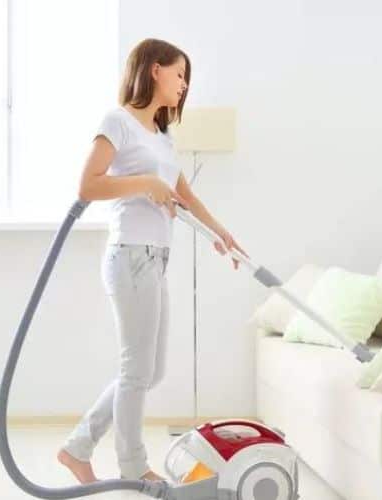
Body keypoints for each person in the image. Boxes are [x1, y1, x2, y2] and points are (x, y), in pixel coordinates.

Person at [56, 38, 247, 484]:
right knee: (136, 369)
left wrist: (220, 233)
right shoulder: (117, 122)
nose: (184, 86)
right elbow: (88, 186)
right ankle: (132, 468)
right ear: (155, 70)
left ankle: (78, 446)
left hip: (157, 259)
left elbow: (185, 196)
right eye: (180, 75)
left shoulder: (162, 136)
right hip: (130, 256)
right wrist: (143, 183)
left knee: (149, 370)